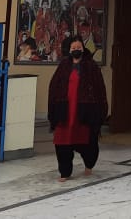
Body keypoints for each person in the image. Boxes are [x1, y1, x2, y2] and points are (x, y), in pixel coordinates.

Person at [47, 37, 108, 182]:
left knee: (88, 142)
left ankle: (89, 163)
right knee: (62, 142)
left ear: (83, 48)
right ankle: (65, 172)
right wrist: (53, 110)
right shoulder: (63, 66)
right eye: (73, 47)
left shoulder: (91, 66)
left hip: (84, 111)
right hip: (65, 111)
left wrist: (100, 111)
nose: (76, 49)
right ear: (69, 50)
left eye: (78, 47)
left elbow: (100, 90)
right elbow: (54, 87)